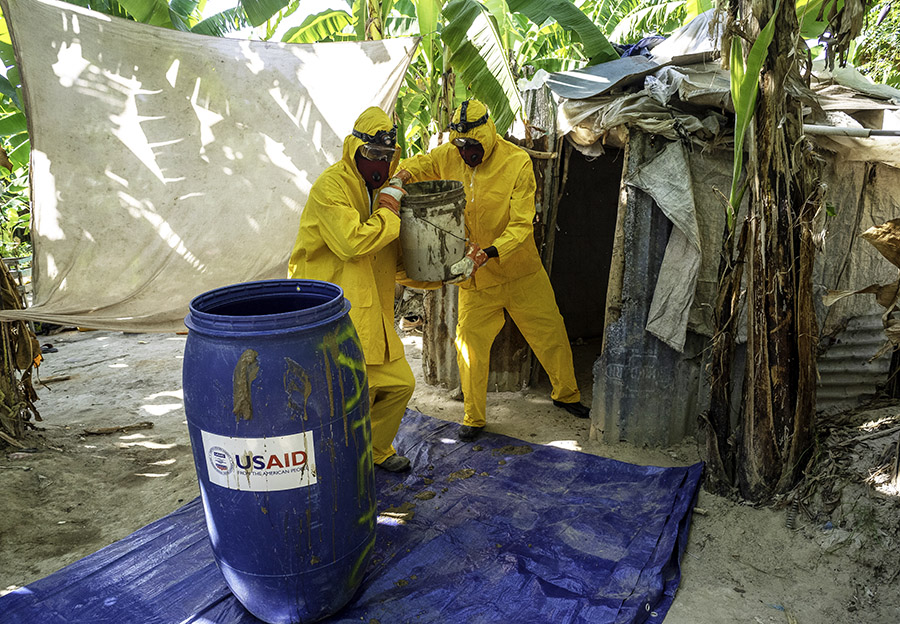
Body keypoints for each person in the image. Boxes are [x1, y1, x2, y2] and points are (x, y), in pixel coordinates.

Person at [396, 99, 590, 442]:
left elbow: (521, 225)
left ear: (488, 134)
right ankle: (474, 417)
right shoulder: (448, 156)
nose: (466, 152)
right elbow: (422, 163)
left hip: (520, 272)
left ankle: (567, 395)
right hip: (476, 280)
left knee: (550, 333)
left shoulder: (517, 163)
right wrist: (401, 176)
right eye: (461, 145)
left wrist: (486, 253)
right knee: (468, 346)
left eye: (473, 145)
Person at [288, 106, 428, 472]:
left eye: (386, 156)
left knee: (400, 385)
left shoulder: (385, 193)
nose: (379, 162)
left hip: (373, 313)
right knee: (343, 400)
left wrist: (439, 275)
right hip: (330, 314)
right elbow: (352, 243)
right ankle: (337, 465)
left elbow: (396, 262)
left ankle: (375, 452)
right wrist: (388, 210)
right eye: (372, 154)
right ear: (354, 149)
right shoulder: (331, 187)